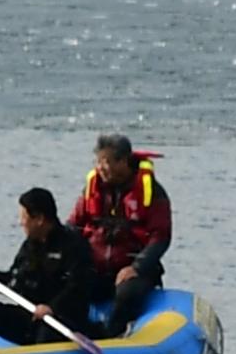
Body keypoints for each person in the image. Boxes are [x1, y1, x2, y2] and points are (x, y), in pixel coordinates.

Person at [0, 189, 101, 349]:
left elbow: (78, 288)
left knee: (45, 332)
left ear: (39, 219)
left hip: (60, 320)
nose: (20, 222)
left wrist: (52, 308)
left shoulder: (74, 245)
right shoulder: (30, 245)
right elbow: (15, 279)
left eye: (24, 217)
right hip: (30, 316)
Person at [70, 133, 174, 337]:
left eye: (107, 162)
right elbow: (74, 225)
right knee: (69, 287)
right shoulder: (92, 190)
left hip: (133, 269)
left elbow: (160, 236)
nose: (101, 168)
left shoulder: (151, 192)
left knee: (128, 292)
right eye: (98, 161)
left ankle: (112, 336)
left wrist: (137, 267)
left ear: (124, 161)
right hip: (97, 267)